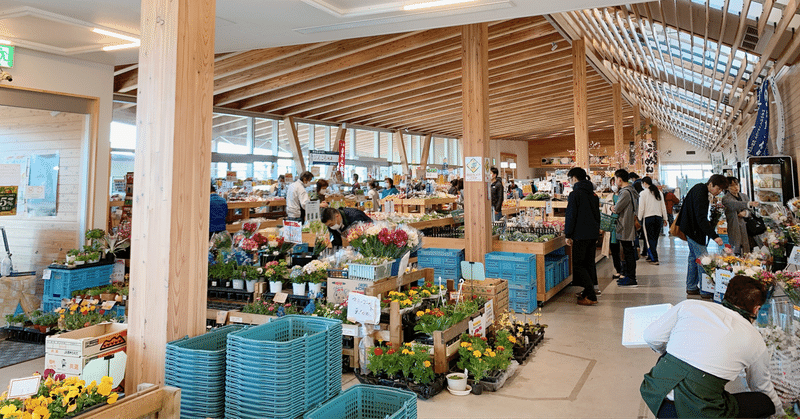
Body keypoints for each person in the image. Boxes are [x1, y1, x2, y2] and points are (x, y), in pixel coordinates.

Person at [640, 276, 781, 418]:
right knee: (764, 402)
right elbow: (760, 385)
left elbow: (651, 337)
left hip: (655, 393)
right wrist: (779, 410)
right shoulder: (754, 338)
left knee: (668, 355)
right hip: (697, 412)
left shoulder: (690, 305)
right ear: (756, 309)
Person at [677, 174, 728, 298]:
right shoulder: (701, 193)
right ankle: (705, 290)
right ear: (711, 184)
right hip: (694, 230)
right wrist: (714, 236)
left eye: (722, 190)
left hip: (690, 228)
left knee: (693, 258)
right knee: (703, 259)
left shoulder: (700, 189)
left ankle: (691, 287)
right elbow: (700, 218)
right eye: (719, 188)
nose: (720, 191)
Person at [564, 167, 601, 306]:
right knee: (589, 263)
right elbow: (597, 216)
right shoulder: (593, 194)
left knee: (578, 265)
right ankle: (588, 291)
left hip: (580, 234)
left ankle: (591, 295)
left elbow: (571, 215)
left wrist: (568, 234)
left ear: (574, 178)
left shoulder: (575, 194)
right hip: (592, 234)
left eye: (570, 178)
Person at [611, 169, 639, 287]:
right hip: (628, 224)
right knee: (628, 251)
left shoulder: (625, 192)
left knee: (628, 253)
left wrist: (613, 207)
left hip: (625, 225)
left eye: (616, 179)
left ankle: (631, 278)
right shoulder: (632, 190)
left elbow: (617, 209)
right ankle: (629, 276)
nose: (615, 182)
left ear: (620, 179)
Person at [722, 177, 759, 255]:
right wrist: (748, 204)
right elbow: (734, 205)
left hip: (748, 227)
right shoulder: (726, 198)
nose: (736, 187)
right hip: (736, 228)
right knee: (737, 250)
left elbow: (751, 211)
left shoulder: (744, 196)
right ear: (727, 187)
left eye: (737, 184)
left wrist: (746, 213)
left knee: (750, 249)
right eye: (732, 185)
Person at [638, 176, 669, 265]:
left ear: (644, 183)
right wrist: (665, 218)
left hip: (648, 218)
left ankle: (654, 258)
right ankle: (650, 256)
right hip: (658, 218)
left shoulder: (643, 193)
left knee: (649, 239)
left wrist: (639, 219)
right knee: (654, 238)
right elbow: (663, 206)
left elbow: (641, 208)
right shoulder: (658, 192)